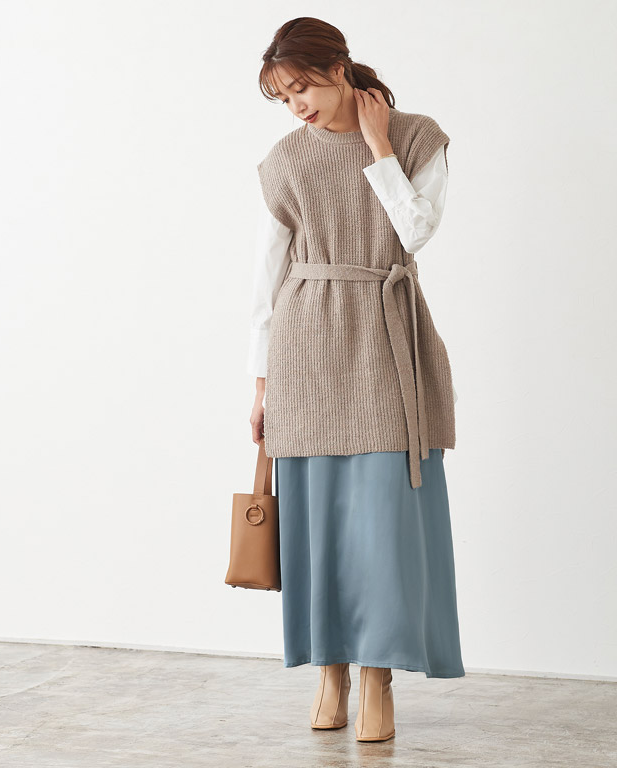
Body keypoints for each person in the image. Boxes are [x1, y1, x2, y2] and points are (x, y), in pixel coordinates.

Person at [247, 17, 465, 743]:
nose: (296, 106)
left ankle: (378, 678)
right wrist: (260, 382)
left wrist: (378, 149)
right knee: (317, 526)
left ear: (338, 69)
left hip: (385, 340)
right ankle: (330, 672)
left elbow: (415, 232)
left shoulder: (417, 137)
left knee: (383, 527)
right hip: (306, 346)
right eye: (283, 97)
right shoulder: (286, 160)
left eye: (302, 88)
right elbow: (266, 278)